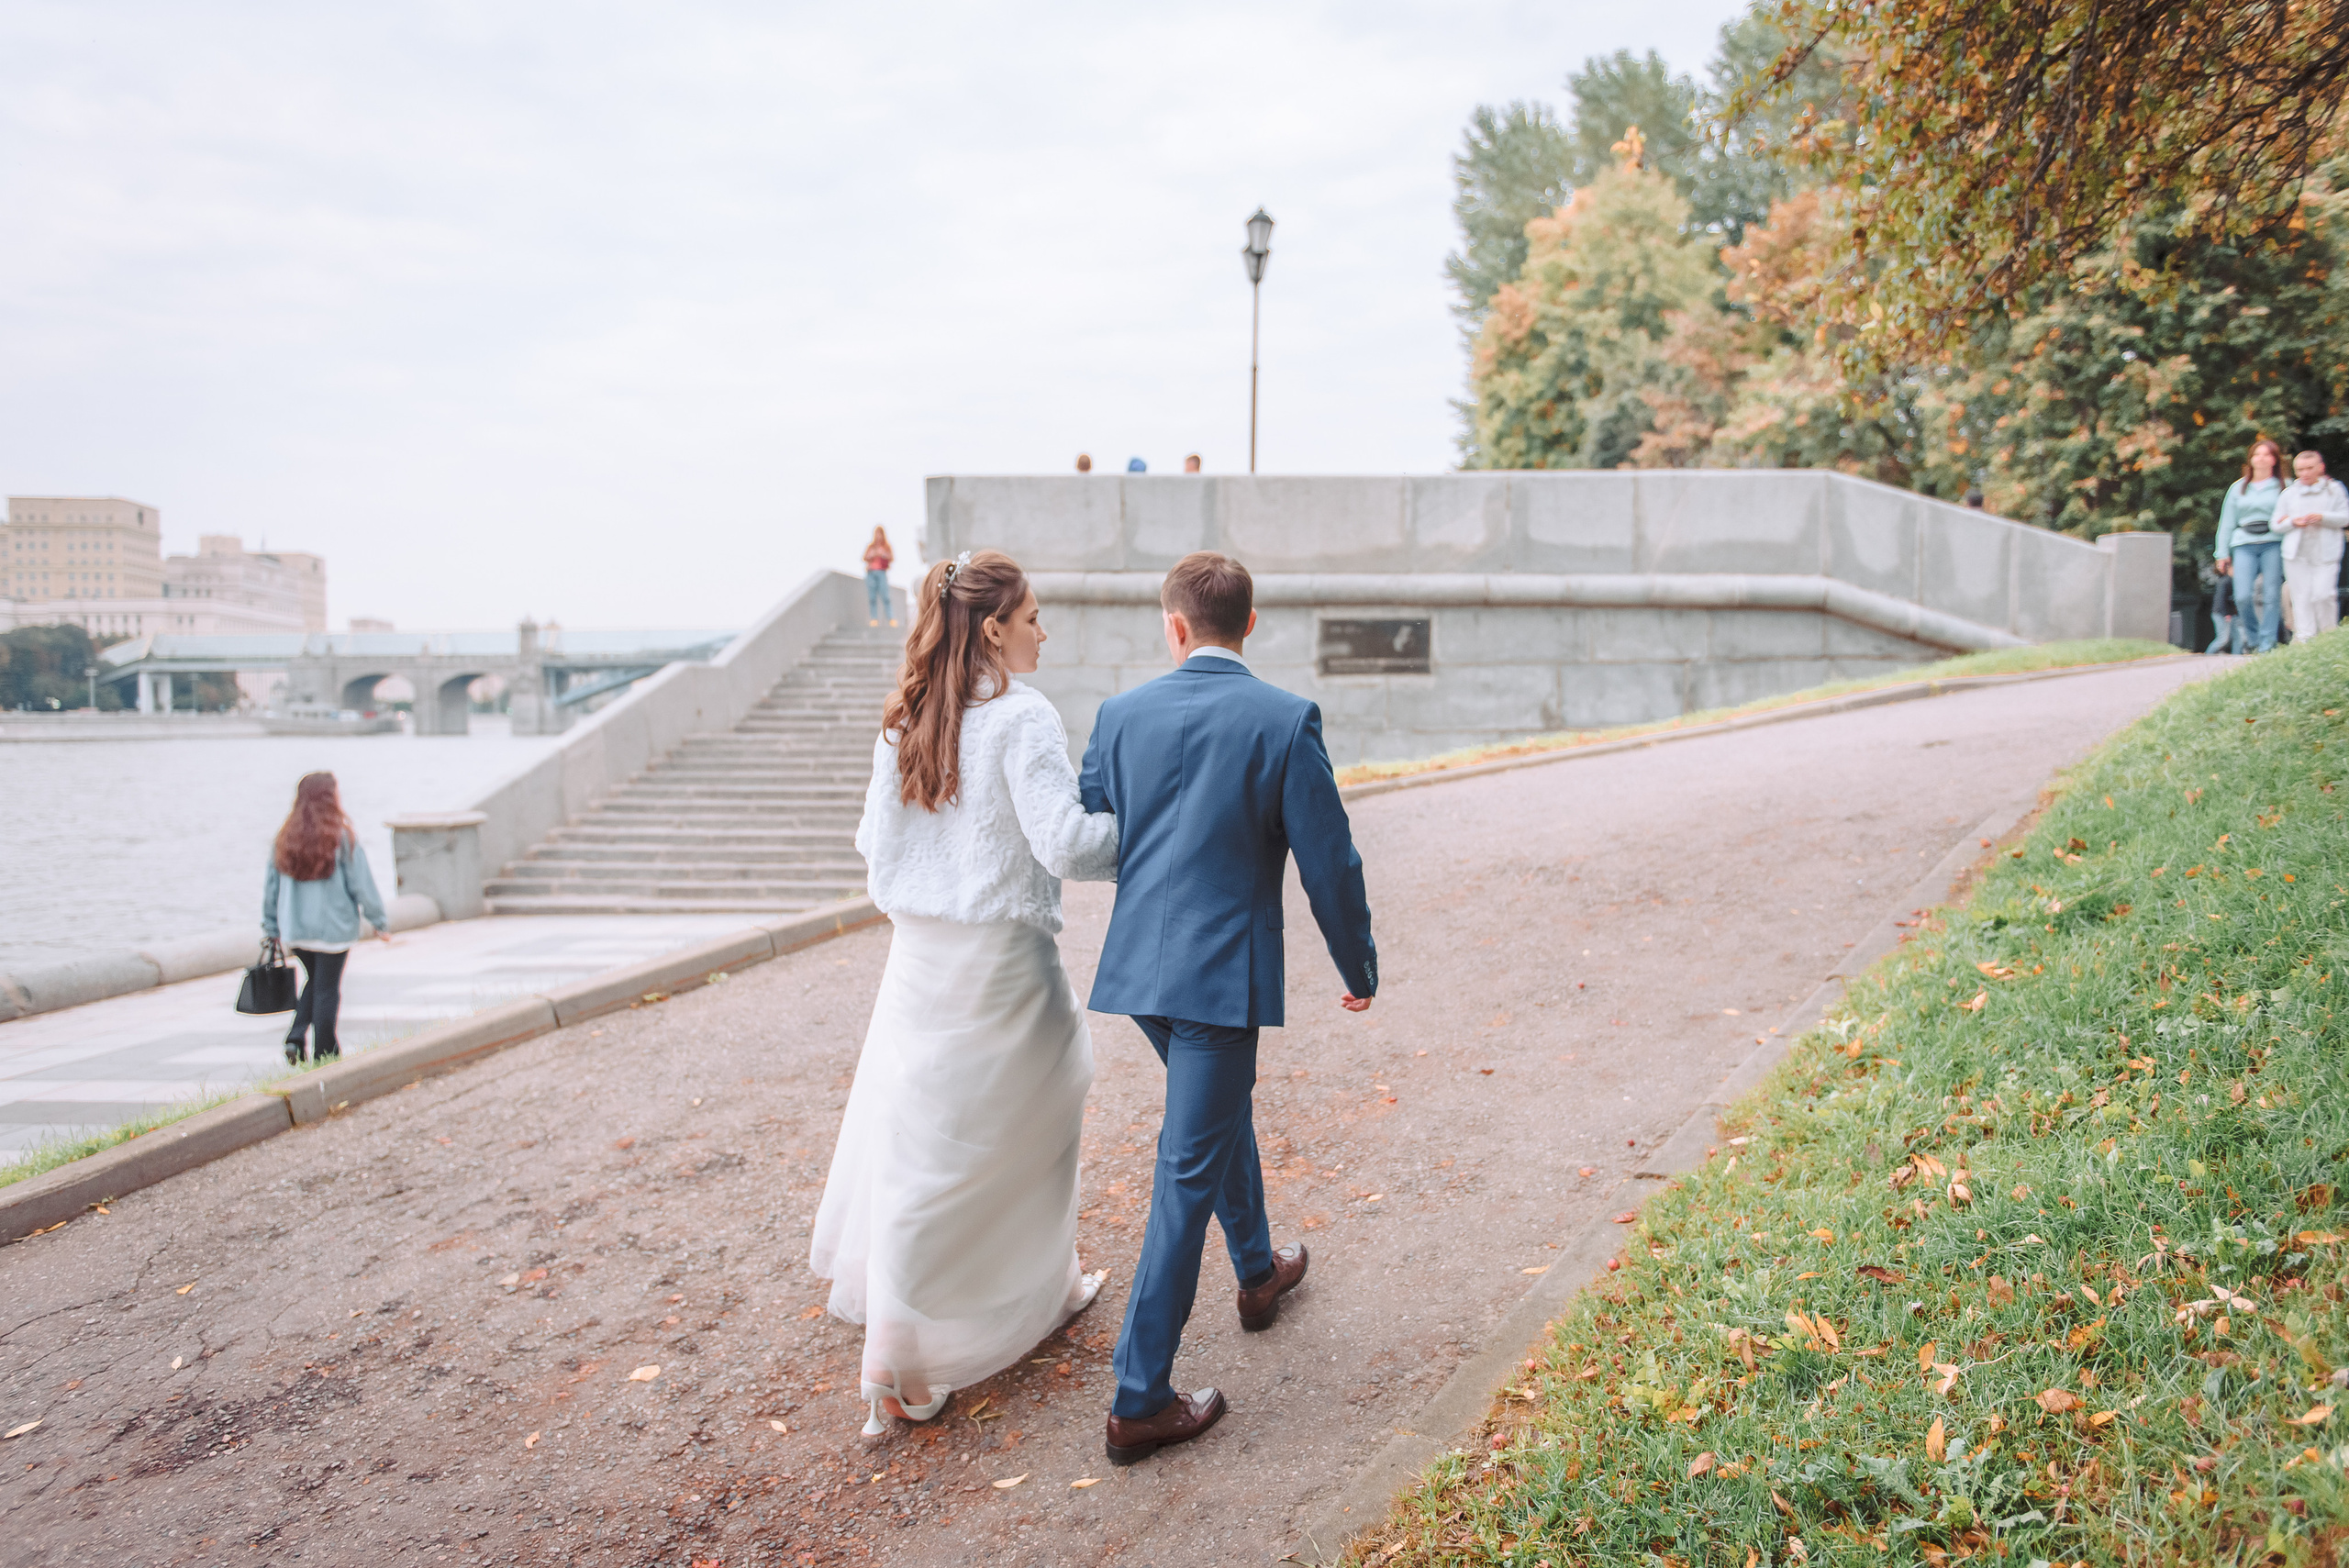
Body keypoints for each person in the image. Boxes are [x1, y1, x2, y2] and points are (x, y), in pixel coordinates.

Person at [811, 548, 1121, 1437]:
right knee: (1044, 1101)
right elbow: (1065, 844)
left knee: (922, 1149)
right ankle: (927, 1347)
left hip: (918, 964)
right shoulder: (1023, 719)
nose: (1042, 631)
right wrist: (1146, 828)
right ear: (992, 628)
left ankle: (971, 1323)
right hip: (1003, 965)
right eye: (1031, 617)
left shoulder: (905, 714)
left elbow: (874, 844)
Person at [1078, 550, 1377, 1465]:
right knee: (1185, 1169)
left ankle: (1258, 1272)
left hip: (1139, 973)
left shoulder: (1119, 715)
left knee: (1214, 1119)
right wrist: (1357, 962)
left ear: (1174, 626)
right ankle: (1139, 1397)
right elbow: (1331, 860)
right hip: (1217, 981)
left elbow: (1096, 822)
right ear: (1250, 624)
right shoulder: (1284, 720)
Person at [262, 772, 390, 1066]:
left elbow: (271, 889)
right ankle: (325, 1054)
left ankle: (296, 1038)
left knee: (316, 980)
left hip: (296, 929)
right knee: (327, 988)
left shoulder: (284, 839)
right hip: (333, 929)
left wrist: (272, 926)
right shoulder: (341, 837)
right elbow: (362, 885)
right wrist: (379, 921)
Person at [2215, 439, 2288, 652]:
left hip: (2273, 542)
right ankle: (2253, 639)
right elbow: (2227, 522)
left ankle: (2267, 643)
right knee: (2242, 595)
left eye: (2266, 454)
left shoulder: (2285, 486)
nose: (2261, 458)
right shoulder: (2238, 488)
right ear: (2251, 459)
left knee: (2271, 595)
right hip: (2244, 542)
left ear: (2274, 459)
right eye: (2257, 454)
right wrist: (2222, 553)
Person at [2277, 449, 2348, 640]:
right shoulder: (2289, 493)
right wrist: (2293, 521)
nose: (2305, 473)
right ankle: (2305, 637)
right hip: (2297, 553)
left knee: (2323, 595)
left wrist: (2323, 517)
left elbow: (2345, 517)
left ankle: (2328, 635)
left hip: (2326, 552)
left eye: (2309, 468)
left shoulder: (2335, 489)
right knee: (2301, 598)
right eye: (2300, 470)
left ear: (2320, 467)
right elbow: (2276, 524)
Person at [862, 528, 896, 628]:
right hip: (871, 573)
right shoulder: (871, 547)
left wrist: (883, 554)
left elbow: (891, 558)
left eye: (879, 534)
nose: (878, 536)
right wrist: (871, 554)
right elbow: (864, 557)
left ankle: (891, 618)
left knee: (885, 597)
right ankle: (874, 619)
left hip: (881, 572)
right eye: (876, 534)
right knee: (872, 597)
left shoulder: (886, 547)